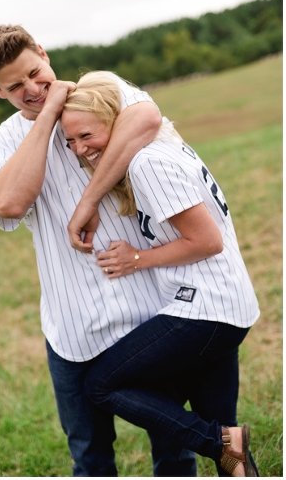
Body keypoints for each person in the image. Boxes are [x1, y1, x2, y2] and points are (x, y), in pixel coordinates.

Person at [0, 24, 198, 475]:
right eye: (16, 87)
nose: (32, 89)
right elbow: (10, 203)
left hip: (151, 310)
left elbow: (148, 118)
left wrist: (89, 198)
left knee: (175, 450)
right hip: (72, 326)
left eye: (37, 74)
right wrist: (49, 110)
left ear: (43, 51)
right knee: (90, 457)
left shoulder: (102, 91)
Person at [59, 71, 260, 476]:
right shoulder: (165, 143)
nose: (81, 149)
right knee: (226, 436)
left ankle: (214, 442)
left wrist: (137, 258)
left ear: (116, 121)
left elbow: (207, 241)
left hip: (208, 308)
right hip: (227, 305)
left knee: (102, 384)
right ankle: (226, 447)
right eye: (71, 142)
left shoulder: (148, 162)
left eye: (88, 135)